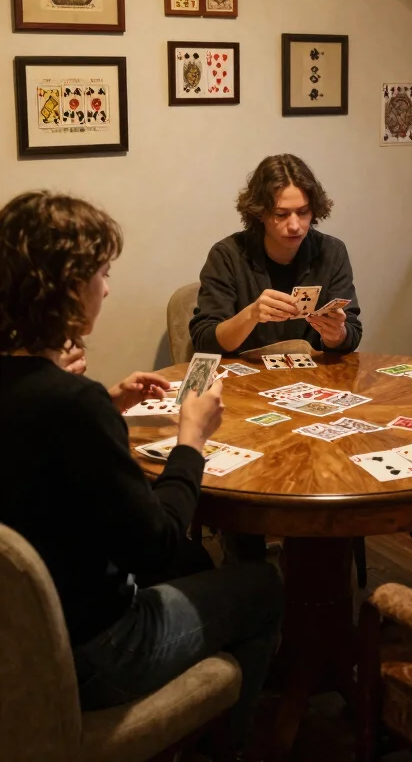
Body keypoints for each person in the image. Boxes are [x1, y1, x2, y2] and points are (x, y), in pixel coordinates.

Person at [0, 191, 282, 757]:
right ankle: (230, 748)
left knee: (199, 564)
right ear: (68, 287)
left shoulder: (49, 396)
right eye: (102, 274)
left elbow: (35, 442)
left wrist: (105, 402)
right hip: (96, 652)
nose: (106, 288)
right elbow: (157, 545)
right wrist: (191, 438)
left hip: (19, 636)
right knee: (264, 585)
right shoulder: (72, 405)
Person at [190, 153, 362, 356]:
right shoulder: (227, 255)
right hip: (245, 372)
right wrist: (251, 315)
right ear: (260, 213)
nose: (295, 225)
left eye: (303, 212)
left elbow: (352, 333)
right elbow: (205, 341)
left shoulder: (332, 252)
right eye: (281, 214)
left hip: (313, 372)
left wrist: (337, 335)